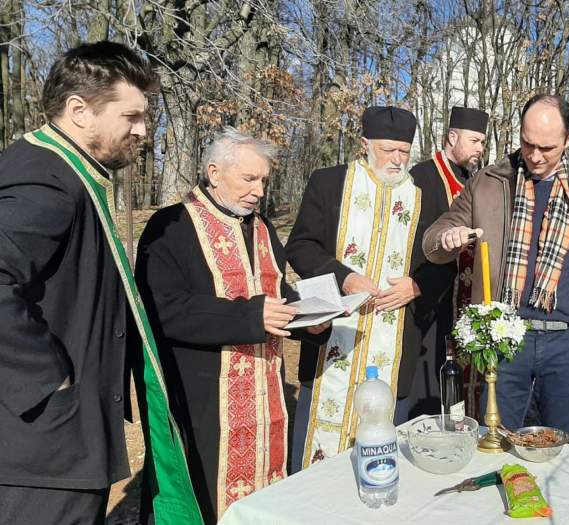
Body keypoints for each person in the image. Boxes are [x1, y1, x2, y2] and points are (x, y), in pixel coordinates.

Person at [0, 41, 200, 524]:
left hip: (53, 441)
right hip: (42, 447)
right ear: (79, 110)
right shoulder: (46, 180)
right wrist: (52, 381)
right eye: (131, 116)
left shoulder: (64, 168)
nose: (143, 130)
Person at [135, 127, 331, 523]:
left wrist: (310, 322)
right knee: (204, 499)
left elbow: (277, 296)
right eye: (248, 178)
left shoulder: (262, 228)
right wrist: (250, 316)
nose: (259, 190)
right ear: (213, 172)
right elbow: (161, 308)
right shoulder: (171, 225)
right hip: (203, 397)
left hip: (266, 397)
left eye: (263, 180)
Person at [423, 94, 569, 447]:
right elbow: (433, 239)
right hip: (504, 339)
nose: (534, 155)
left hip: (566, 341)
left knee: (563, 446)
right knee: (496, 443)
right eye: (527, 143)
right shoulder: (487, 183)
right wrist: (447, 238)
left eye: (546, 147)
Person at [286, 106, 455, 471]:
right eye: (388, 150)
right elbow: (300, 246)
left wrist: (416, 286)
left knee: (384, 457)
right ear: (365, 144)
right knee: (319, 454)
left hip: (395, 343)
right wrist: (343, 276)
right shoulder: (329, 182)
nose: (397, 160)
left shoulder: (427, 193)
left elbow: (445, 263)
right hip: (336, 334)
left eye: (404, 152)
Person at [408, 106, 489, 419]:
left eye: (482, 142)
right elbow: (414, 242)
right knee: (429, 391)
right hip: (431, 302)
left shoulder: (475, 181)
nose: (480, 148)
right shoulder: (422, 177)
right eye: (473, 140)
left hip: (466, 301)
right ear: (452, 137)